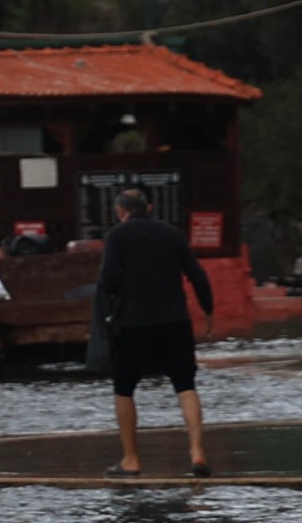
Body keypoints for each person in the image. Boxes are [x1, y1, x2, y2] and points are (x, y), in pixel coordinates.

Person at [94, 185, 221, 478]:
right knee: (185, 385)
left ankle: (131, 459)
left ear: (120, 211)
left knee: (124, 389)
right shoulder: (172, 233)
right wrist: (208, 309)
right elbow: (197, 274)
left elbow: (109, 280)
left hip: (133, 322)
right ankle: (198, 453)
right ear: (149, 208)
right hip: (174, 320)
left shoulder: (116, 236)